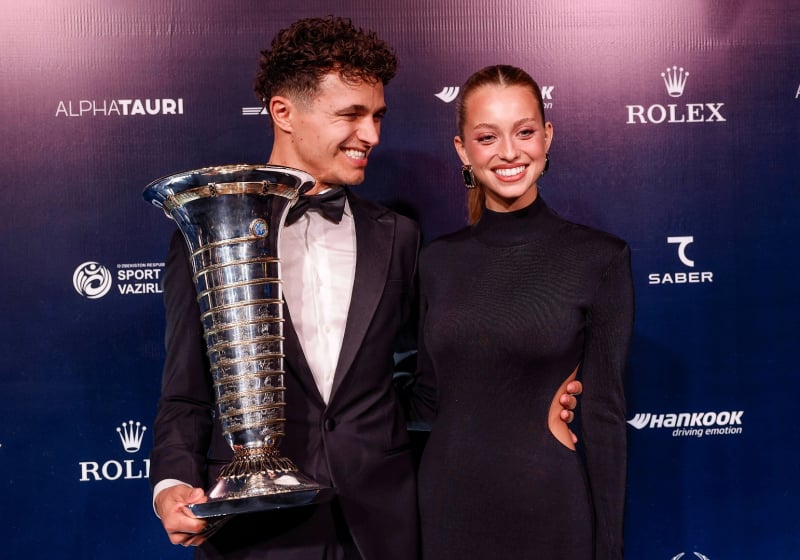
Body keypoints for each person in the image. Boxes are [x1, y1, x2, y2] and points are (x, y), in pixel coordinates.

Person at [149, 18, 582, 559]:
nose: (372, 136)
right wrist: (171, 486)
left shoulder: (398, 235)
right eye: (350, 115)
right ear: (284, 113)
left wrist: (536, 395)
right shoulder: (211, 232)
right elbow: (186, 393)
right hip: (258, 535)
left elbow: (425, 380)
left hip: (384, 527)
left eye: (377, 116)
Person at [411, 65, 634, 560]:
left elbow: (603, 416)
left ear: (547, 137)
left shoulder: (599, 258)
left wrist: (611, 546)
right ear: (462, 149)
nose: (509, 152)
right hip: (447, 508)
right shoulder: (435, 261)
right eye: (487, 137)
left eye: (525, 131)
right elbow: (425, 400)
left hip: (551, 507)